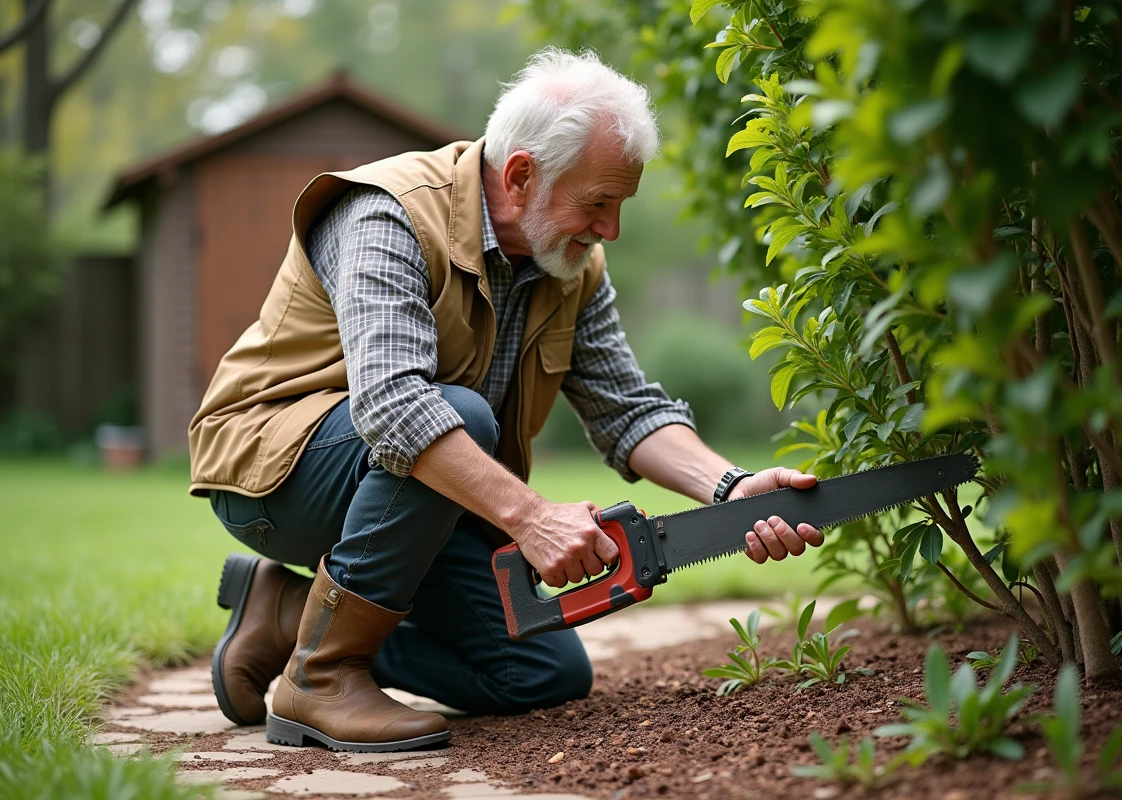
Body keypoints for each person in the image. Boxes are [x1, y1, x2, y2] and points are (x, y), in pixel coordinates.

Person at [188, 47, 824, 754]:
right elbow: (396, 409)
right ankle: (322, 675)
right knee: (457, 414)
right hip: (273, 478)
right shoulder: (386, 213)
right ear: (521, 175)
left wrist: (731, 489)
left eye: (620, 206)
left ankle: (286, 614)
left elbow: (627, 409)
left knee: (540, 672)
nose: (610, 228)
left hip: (422, 493)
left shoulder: (570, 265)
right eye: (599, 203)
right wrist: (531, 518)